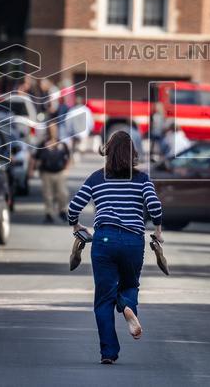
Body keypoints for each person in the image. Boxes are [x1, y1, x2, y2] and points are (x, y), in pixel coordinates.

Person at [67, 130, 164, 365]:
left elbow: (73, 208)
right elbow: (154, 205)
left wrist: (76, 225)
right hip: (132, 240)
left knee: (103, 299)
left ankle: (108, 352)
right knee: (130, 284)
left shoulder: (96, 178)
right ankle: (128, 307)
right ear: (132, 154)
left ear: (107, 152)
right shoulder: (141, 179)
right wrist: (158, 230)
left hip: (104, 240)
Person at [30, 125, 71, 223]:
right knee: (48, 195)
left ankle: (62, 211)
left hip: (59, 172)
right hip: (46, 173)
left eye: (53, 130)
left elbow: (69, 157)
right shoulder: (42, 144)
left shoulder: (62, 144)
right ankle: (49, 214)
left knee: (62, 193)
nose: (52, 132)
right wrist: (31, 170)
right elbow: (34, 158)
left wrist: (67, 169)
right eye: (50, 130)